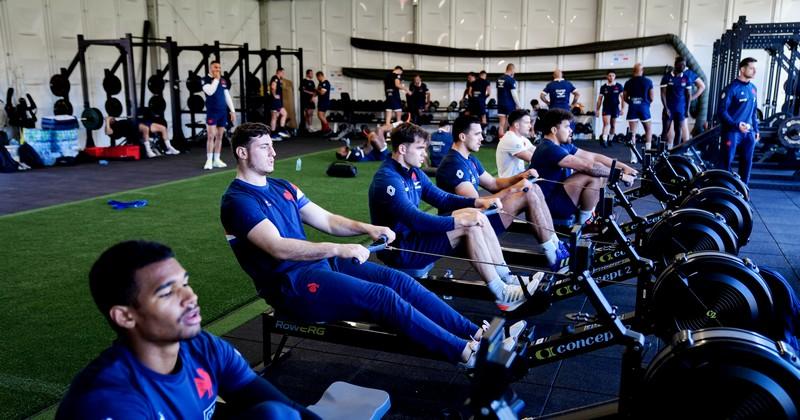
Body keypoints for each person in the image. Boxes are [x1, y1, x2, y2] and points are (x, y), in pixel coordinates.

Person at [221, 122, 488, 365]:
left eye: (272, 146)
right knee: (383, 298)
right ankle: (465, 353)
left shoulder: (283, 186)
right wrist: (339, 248)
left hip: (317, 266)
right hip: (290, 286)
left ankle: (475, 333)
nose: (273, 153)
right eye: (265, 147)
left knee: (400, 282)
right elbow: (277, 247)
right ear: (243, 153)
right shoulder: (238, 201)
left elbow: (327, 220)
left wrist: (368, 228)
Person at [55, 240, 318, 419]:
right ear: (125, 316)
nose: (190, 297)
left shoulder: (203, 346)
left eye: (186, 283)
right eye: (168, 292)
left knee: (277, 414)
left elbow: (287, 408)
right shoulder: (109, 401)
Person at [368, 122, 540, 312]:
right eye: (419, 149)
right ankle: (502, 293)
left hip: (414, 239)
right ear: (402, 148)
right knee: (468, 224)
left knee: (475, 216)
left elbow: (442, 199)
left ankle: (507, 278)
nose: (425, 154)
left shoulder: (414, 172)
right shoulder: (388, 180)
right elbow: (416, 220)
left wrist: (477, 203)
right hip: (401, 250)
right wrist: (459, 221)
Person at [436, 115, 569, 271]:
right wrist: (514, 188)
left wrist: (520, 176)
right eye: (477, 134)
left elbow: (493, 183)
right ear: (463, 136)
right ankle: (553, 256)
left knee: (534, 188)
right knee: (527, 193)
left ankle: (555, 245)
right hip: (469, 225)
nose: (482, 138)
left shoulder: (470, 159)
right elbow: (476, 203)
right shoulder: (453, 164)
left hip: (479, 217)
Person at [531, 109, 637, 225]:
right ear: (554, 130)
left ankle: (590, 213)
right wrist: (620, 175)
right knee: (593, 175)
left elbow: (594, 157)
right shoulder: (549, 148)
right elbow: (588, 167)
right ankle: (586, 222)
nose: (570, 130)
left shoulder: (563, 146)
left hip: (558, 196)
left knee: (600, 168)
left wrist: (623, 167)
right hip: (548, 205)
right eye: (566, 127)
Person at [717, 57, 760, 184]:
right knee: (726, 162)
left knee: (747, 163)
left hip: (749, 133)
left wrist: (756, 130)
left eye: (755, 69)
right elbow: (721, 111)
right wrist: (735, 125)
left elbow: (753, 111)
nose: (754, 72)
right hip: (732, 132)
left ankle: (743, 191)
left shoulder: (753, 88)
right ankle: (724, 189)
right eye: (751, 68)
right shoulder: (731, 89)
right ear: (742, 69)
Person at [660, 56, 705, 147]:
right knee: (668, 129)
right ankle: (667, 149)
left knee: (681, 129)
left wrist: (692, 99)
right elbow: (663, 93)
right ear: (676, 64)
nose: (682, 66)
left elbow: (702, 86)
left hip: (682, 107)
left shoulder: (688, 75)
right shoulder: (668, 76)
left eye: (684, 64)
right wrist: (666, 108)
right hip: (670, 106)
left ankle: (683, 150)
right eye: (680, 64)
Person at [202, 61, 236, 170]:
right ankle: (209, 160)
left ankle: (217, 159)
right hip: (212, 112)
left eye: (219, 68)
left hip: (222, 112)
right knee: (211, 136)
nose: (218, 69)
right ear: (210, 68)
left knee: (220, 136)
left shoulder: (222, 80)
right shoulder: (205, 80)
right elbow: (210, 91)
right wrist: (216, 79)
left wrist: (232, 110)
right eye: (215, 67)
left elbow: (227, 96)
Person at [623, 63, 655, 161]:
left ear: (633, 71)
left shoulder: (628, 82)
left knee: (632, 133)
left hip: (633, 108)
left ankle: (633, 157)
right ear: (642, 70)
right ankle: (648, 155)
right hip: (644, 108)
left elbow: (625, 97)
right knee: (648, 130)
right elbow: (652, 97)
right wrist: (646, 103)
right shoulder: (648, 81)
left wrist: (632, 103)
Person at [496, 109, 536, 178]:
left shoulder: (521, 138)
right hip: (509, 183)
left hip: (518, 179)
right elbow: (533, 158)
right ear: (517, 125)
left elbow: (536, 151)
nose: (530, 126)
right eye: (527, 123)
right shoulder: (511, 139)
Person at [596, 70, 624, 149]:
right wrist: (597, 110)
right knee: (606, 124)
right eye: (609, 75)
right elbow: (599, 100)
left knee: (613, 125)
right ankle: (604, 140)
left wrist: (622, 109)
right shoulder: (603, 87)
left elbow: (623, 99)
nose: (611, 77)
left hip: (615, 107)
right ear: (607, 77)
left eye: (613, 75)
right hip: (606, 107)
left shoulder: (619, 86)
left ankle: (610, 140)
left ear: (615, 77)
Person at [496, 63, 520, 138]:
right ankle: (508, 138)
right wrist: (518, 105)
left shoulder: (499, 79)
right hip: (509, 103)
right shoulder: (511, 80)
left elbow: (498, 92)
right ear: (512, 70)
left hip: (500, 103)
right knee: (511, 122)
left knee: (501, 123)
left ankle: (500, 140)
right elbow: (514, 94)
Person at [269, 67, 291, 141]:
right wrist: (274, 95)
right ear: (279, 72)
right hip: (274, 101)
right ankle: (273, 134)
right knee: (274, 117)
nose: (283, 74)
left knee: (284, 114)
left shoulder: (279, 79)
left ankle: (281, 129)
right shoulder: (275, 78)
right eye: (283, 72)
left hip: (278, 102)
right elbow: (273, 87)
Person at [315, 71, 333, 136]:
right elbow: (318, 92)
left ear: (320, 76)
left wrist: (316, 90)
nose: (317, 79)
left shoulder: (326, 83)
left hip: (324, 102)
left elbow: (322, 93)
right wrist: (313, 96)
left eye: (317, 78)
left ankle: (328, 129)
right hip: (321, 101)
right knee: (322, 116)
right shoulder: (320, 83)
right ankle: (324, 130)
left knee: (320, 115)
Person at [300, 69, 317, 134]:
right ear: (307, 74)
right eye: (311, 73)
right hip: (305, 100)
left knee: (311, 113)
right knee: (308, 113)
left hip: (311, 100)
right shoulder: (303, 81)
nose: (312, 75)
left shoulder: (312, 82)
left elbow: (315, 91)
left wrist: (313, 96)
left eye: (312, 73)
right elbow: (302, 90)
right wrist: (311, 93)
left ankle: (310, 126)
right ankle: (308, 126)